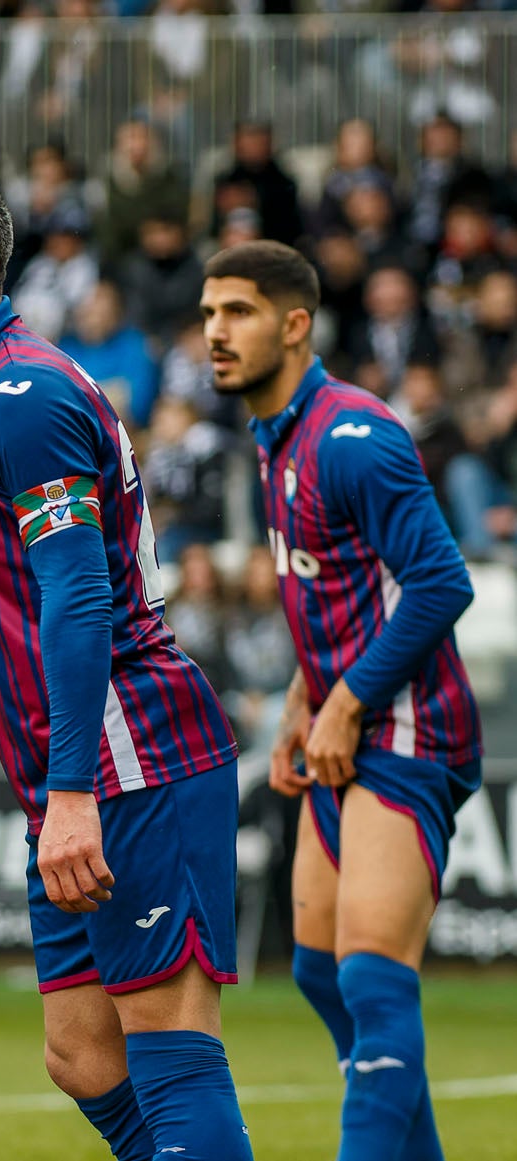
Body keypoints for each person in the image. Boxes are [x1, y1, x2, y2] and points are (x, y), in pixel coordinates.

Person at [0, 161, 250, 1160]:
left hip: (126, 753)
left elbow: (78, 597)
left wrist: (71, 791)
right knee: (82, 1055)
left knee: (166, 1043)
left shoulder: (23, 397)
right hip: (76, 768)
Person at [201, 241, 482, 1161]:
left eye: (237, 312)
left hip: (409, 732)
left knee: (371, 981)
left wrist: (348, 701)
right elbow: (334, 591)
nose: (215, 332)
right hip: (339, 727)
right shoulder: (273, 434)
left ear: (294, 324)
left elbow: (441, 583)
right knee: (321, 972)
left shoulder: (353, 435)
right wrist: (299, 699)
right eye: (207, 314)